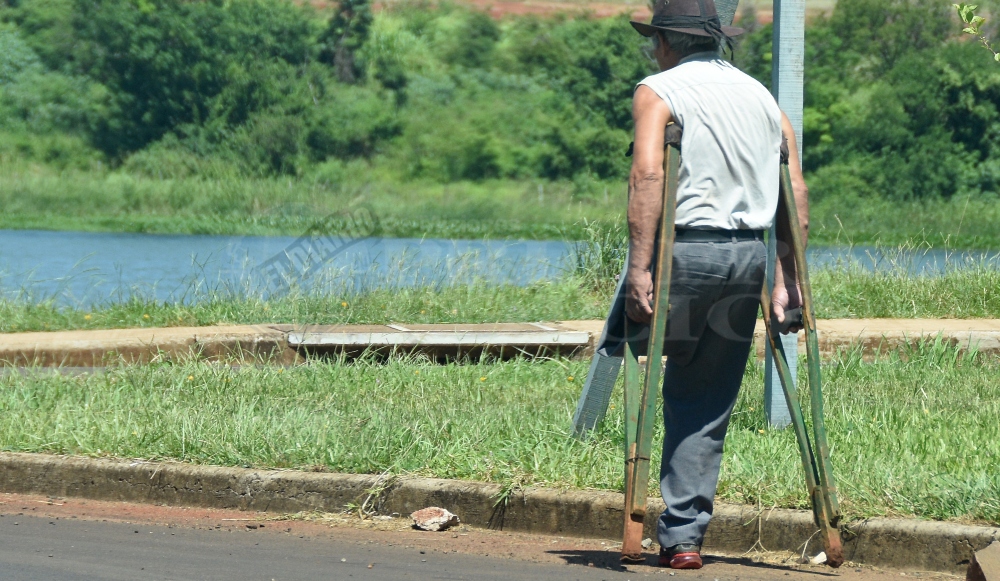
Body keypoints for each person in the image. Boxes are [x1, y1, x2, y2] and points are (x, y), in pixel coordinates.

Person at [624, 0, 809, 569]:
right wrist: (787, 280)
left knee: (633, 343)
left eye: (656, 38)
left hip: (688, 255)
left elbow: (649, 172)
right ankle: (683, 536)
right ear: (716, 40)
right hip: (746, 260)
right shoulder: (762, 97)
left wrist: (639, 268)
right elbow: (793, 194)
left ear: (666, 42)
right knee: (704, 395)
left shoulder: (657, 89)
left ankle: (638, 517)